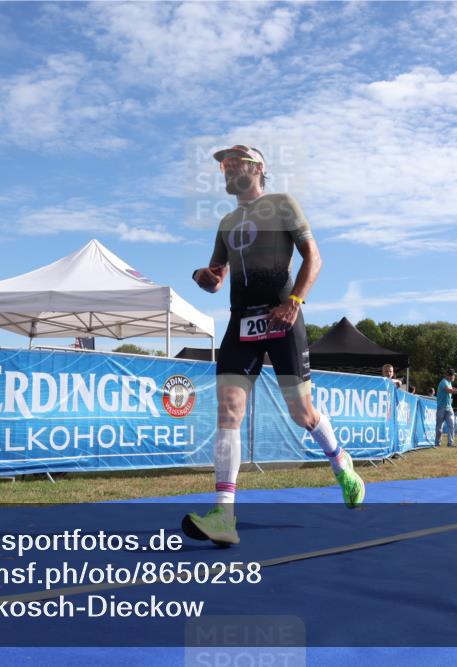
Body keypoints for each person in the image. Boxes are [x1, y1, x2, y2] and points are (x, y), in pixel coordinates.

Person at [182, 144, 365, 547]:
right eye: (223, 166)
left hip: (283, 315)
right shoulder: (227, 221)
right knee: (229, 410)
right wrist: (207, 277)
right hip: (241, 318)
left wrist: (294, 303)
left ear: (258, 168)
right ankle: (224, 516)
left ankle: (340, 461)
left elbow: (314, 258)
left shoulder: (283, 204)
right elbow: (217, 275)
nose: (227, 170)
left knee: (302, 413)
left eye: (235, 163)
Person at [435, 369, 457, 448]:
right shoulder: (444, 382)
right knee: (439, 427)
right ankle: (437, 442)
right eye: (454, 375)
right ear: (450, 375)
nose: (454, 377)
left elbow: (452, 388)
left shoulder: (449, 383)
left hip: (449, 408)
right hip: (441, 408)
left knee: (451, 425)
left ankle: (450, 443)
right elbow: (449, 390)